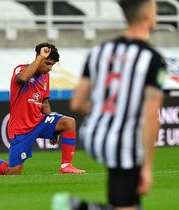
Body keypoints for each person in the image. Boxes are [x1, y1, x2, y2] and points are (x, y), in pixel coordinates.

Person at [53, 0, 166, 209]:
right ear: (148, 15)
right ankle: (77, 206)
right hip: (124, 142)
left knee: (128, 203)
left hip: (96, 136)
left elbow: (77, 102)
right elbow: (151, 115)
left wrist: (107, 113)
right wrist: (147, 167)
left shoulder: (99, 51)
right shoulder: (152, 59)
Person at [0, 43, 85, 176]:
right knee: (13, 171)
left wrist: (55, 130)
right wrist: (41, 57)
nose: (50, 68)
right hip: (21, 128)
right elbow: (22, 78)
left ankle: (66, 165)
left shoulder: (45, 76)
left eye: (52, 65)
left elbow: (44, 102)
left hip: (39, 122)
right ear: (38, 58)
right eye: (47, 63)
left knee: (68, 122)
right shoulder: (21, 70)